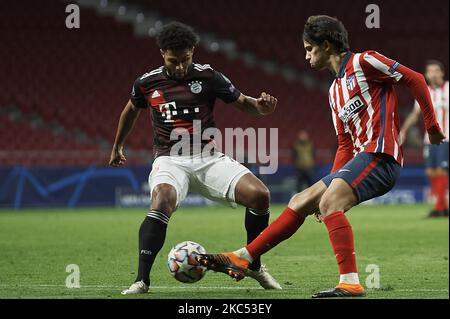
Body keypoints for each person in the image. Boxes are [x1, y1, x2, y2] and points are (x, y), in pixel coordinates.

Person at [196, 15, 446, 298]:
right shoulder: (334, 92)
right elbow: (344, 143)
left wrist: (432, 126)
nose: (305, 56)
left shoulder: (365, 62)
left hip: (381, 156)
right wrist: (335, 179)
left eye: (308, 49)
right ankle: (245, 256)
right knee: (299, 200)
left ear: (326, 46)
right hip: (361, 159)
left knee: (328, 203)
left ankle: (350, 282)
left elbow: (415, 79)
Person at [109, 22, 281, 294]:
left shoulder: (210, 76)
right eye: (173, 60)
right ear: (163, 53)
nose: (179, 66)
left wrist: (260, 109)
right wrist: (118, 145)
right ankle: (141, 280)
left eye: (185, 59)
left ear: (193, 52)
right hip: (170, 160)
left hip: (208, 158)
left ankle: (254, 265)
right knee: (162, 199)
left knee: (260, 195)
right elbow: (131, 110)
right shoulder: (147, 82)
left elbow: (242, 102)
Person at [400, 60, 449, 217]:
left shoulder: (448, 89)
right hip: (429, 140)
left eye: (436, 70)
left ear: (442, 72)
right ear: (426, 75)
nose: (433, 74)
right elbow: (415, 114)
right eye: (430, 71)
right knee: (431, 171)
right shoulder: (425, 91)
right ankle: (443, 206)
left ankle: (439, 208)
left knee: (441, 170)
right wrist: (403, 131)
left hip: (446, 137)